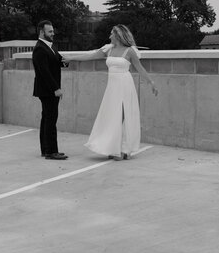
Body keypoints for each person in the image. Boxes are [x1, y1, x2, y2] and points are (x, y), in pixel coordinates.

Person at [68, 24, 157, 160]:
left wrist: (151, 83)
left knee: (121, 117)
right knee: (112, 117)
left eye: (111, 34)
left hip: (125, 86)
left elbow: (140, 68)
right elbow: (90, 56)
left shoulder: (129, 51)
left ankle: (122, 150)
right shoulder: (108, 50)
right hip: (112, 88)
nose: (109, 36)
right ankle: (113, 148)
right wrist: (72, 58)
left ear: (118, 35)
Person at [32, 20, 68, 160]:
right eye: (50, 31)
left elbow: (58, 61)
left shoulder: (50, 46)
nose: (53, 33)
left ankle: (46, 149)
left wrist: (67, 61)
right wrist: (56, 89)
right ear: (42, 32)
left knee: (47, 119)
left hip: (48, 90)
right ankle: (51, 152)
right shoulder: (40, 48)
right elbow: (44, 71)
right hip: (47, 90)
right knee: (50, 120)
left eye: (53, 31)